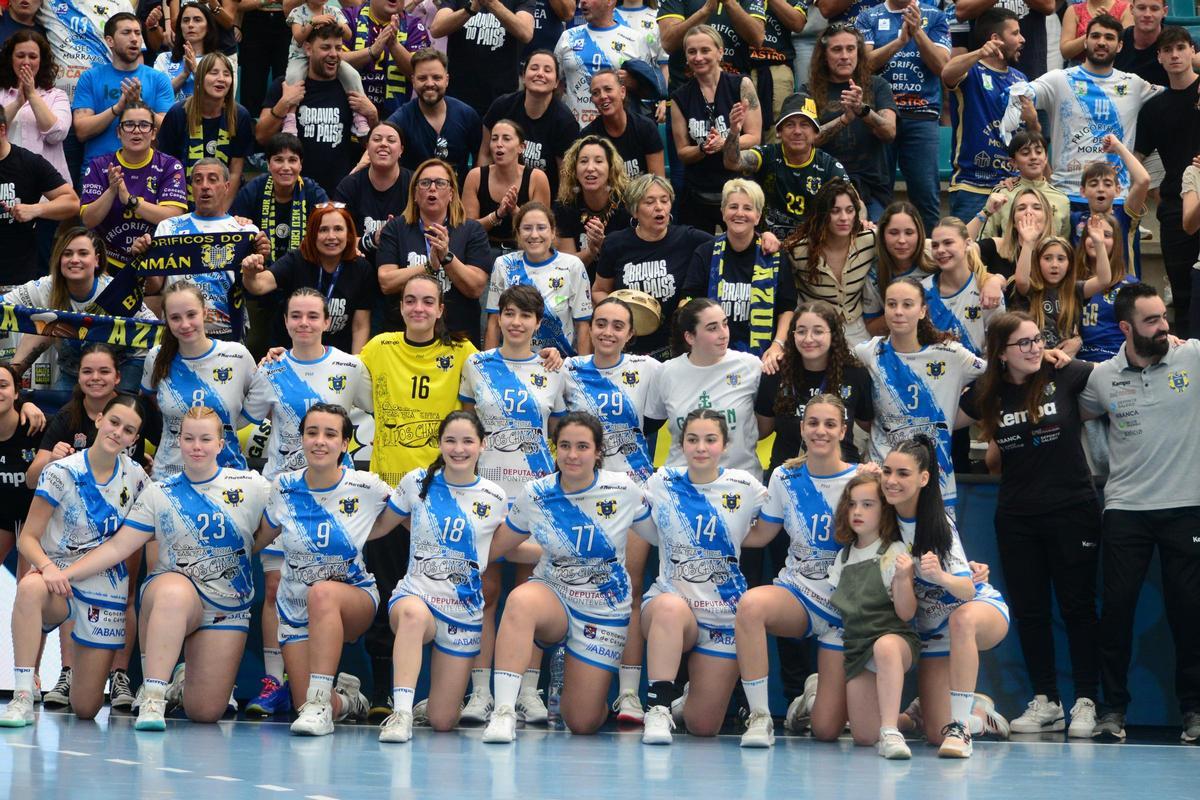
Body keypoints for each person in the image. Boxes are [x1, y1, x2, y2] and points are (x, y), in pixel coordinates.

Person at [53, 406, 270, 731]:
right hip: (173, 595)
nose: (196, 446)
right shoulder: (159, 492)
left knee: (205, 712)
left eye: (205, 439)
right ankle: (154, 698)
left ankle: (181, 683)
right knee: (172, 592)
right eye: (189, 438)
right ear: (178, 441)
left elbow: (281, 520)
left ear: (220, 444)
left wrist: (253, 544)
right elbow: (118, 547)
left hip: (226, 606)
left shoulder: (251, 485)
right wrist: (63, 574)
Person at [959, 311, 1101, 738]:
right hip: (1017, 516)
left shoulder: (1067, 373)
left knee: (1078, 608)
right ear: (1001, 353)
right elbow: (944, 408)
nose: (1035, 347)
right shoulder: (986, 392)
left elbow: (1121, 373)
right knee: (1031, 610)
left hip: (1072, 509)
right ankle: (1047, 701)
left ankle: (1086, 701)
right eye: (1024, 342)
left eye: (1038, 339)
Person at [1078, 283, 1200, 744]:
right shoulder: (1101, 377)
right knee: (1116, 611)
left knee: (1190, 612)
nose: (1164, 326)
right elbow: (1074, 413)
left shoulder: (1193, 357)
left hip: (1187, 505)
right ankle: (1112, 710)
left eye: (1164, 316)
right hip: (1125, 507)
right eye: (1151, 321)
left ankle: (1194, 710)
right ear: (1126, 328)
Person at [480, 411, 650, 742]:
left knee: (582, 722)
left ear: (598, 452)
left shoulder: (623, 489)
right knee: (520, 601)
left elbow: (661, 536)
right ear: (555, 448)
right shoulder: (536, 493)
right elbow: (499, 547)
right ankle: (504, 712)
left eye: (582, 446)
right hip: (554, 594)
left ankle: (581, 680)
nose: (572, 455)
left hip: (602, 610)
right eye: (565, 446)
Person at [0, 395, 148, 727]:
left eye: (128, 430)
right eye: (114, 422)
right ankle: (23, 695)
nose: (117, 432)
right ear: (99, 419)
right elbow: (27, 538)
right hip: (59, 582)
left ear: (135, 439)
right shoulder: (61, 471)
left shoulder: (137, 478)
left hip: (105, 590)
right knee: (30, 588)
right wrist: (49, 568)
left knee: (85, 707)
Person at [369, 410, 509, 742]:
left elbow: (505, 546)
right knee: (413, 615)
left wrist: (562, 547)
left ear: (482, 445)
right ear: (440, 444)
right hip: (416, 596)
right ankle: (401, 714)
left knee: (443, 721)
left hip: (463, 612)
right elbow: (379, 527)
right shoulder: (417, 482)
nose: (458, 449)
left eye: (467, 441)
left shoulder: (494, 496)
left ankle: (428, 706)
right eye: (450, 441)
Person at [255, 403, 393, 736]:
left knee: (323, 593)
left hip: (353, 599)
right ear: (301, 439)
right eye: (312, 433)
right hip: (295, 607)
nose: (320, 441)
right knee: (303, 702)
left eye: (330, 434)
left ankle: (320, 704)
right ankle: (347, 700)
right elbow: (259, 538)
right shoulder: (284, 486)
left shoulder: (367, 487)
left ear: (344, 443)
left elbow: (407, 517)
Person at [636, 408, 769, 744]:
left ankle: (685, 702)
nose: (700, 448)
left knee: (703, 726)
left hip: (723, 616)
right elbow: (628, 507)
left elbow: (774, 518)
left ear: (725, 445)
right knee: (669, 607)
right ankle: (658, 709)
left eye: (710, 440)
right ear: (681, 444)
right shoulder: (662, 482)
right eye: (692, 440)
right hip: (671, 606)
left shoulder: (745, 486)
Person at [737, 394, 857, 748]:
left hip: (845, 609)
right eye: (813, 423)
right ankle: (760, 717)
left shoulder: (862, 480)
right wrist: (709, 534)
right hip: (799, 595)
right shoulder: (784, 476)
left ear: (843, 431)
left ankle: (812, 699)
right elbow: (762, 534)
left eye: (830, 424)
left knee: (826, 730)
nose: (821, 431)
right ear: (802, 428)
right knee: (750, 606)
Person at [882, 436, 1010, 756]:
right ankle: (976, 713)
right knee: (935, 734)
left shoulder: (939, 524)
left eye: (903, 473)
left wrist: (939, 576)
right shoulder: (883, 523)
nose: (892, 480)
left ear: (924, 478)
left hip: (976, 609)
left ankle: (962, 728)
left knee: (961, 619)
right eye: (887, 471)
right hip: (933, 633)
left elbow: (967, 589)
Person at [854, 277, 985, 511]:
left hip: (935, 482)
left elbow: (994, 375)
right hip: (883, 480)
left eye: (907, 304)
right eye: (891, 304)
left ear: (923, 310)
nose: (898, 311)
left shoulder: (950, 354)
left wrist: (959, 415)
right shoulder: (869, 352)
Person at [1007, 14, 1160, 207]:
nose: (1101, 42)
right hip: (1065, 196)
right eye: (1095, 36)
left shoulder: (1134, 84)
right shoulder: (1058, 79)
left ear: (1120, 46)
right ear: (1085, 42)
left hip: (1116, 197)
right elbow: (1015, 96)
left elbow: (1178, 98)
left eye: (1109, 37)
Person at [828, 470, 919, 759]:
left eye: (868, 504)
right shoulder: (842, 557)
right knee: (864, 735)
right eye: (852, 504)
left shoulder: (894, 551)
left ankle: (891, 731)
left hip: (894, 641)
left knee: (885, 646)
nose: (857, 511)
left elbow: (906, 613)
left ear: (884, 509)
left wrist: (903, 579)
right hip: (858, 649)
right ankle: (909, 719)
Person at [4, 227, 156, 396]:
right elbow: (3, 306)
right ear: (59, 259)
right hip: (74, 369)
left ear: (97, 260)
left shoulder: (114, 290)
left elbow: (154, 327)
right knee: (62, 410)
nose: (74, 260)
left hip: (124, 364)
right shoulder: (45, 287)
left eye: (83, 253)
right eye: (67, 254)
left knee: (115, 410)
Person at [359, 273, 477, 487]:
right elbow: (336, 368)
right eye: (410, 301)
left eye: (428, 302)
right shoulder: (379, 347)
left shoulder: (462, 351)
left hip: (442, 479)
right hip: (388, 482)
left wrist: (541, 359)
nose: (418, 308)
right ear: (401, 307)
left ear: (440, 310)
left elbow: (500, 370)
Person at [131, 159, 270, 340]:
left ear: (227, 186)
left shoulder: (245, 230)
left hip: (228, 331)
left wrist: (260, 258)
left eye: (212, 179)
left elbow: (254, 287)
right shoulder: (168, 227)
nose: (205, 186)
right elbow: (153, 287)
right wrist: (144, 259)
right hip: (178, 331)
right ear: (191, 188)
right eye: (198, 180)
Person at [460, 284, 567, 501]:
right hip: (486, 489)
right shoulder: (476, 364)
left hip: (537, 491)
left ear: (538, 323)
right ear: (499, 319)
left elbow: (557, 434)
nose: (516, 322)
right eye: (509, 313)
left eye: (525, 315)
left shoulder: (553, 369)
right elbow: (468, 425)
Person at [140, 281, 258, 478]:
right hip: (170, 476)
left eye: (191, 315)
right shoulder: (156, 357)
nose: (185, 324)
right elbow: (150, 401)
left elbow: (261, 402)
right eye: (175, 318)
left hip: (228, 475)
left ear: (204, 312)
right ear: (166, 319)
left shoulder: (237, 355)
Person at [592, 173, 712, 361]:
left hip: (675, 348)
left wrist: (760, 240)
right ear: (634, 211)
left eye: (664, 200)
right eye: (649, 202)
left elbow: (726, 244)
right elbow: (599, 290)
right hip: (629, 346)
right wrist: (619, 315)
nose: (659, 207)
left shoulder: (688, 239)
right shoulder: (615, 243)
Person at [856, 0, 950, 233]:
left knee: (926, 195)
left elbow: (943, 68)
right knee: (878, 194)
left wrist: (917, 32)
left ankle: (929, 252)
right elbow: (863, 66)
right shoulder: (868, 16)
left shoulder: (936, 16)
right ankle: (878, 251)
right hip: (879, 116)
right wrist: (899, 42)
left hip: (922, 115)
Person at [376, 158, 491, 345]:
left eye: (440, 183)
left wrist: (447, 257)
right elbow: (386, 282)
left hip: (458, 337)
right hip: (404, 338)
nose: (432, 188)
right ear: (415, 194)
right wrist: (429, 266)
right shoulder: (395, 229)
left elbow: (476, 287)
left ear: (451, 194)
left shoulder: (472, 230)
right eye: (425, 183)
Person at [257, 21, 380, 196]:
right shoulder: (285, 85)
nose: (334, 54)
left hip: (338, 193)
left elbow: (368, 145)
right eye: (325, 47)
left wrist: (373, 116)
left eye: (338, 48)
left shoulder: (349, 88)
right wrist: (284, 104)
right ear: (308, 49)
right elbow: (261, 136)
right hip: (293, 193)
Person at [645, 298, 763, 477]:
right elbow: (650, 424)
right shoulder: (666, 372)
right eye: (712, 328)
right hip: (682, 482)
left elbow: (766, 424)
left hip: (739, 482)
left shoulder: (750, 366)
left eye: (725, 324)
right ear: (690, 337)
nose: (723, 334)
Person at [682, 178, 794, 363]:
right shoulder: (705, 253)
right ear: (723, 212)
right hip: (712, 357)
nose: (739, 213)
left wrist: (777, 345)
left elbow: (787, 308)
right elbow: (689, 299)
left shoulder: (774, 255)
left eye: (747, 208)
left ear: (758, 216)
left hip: (763, 358)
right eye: (733, 207)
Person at [1135, 26, 1200, 338]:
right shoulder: (1153, 108)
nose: (1175, 55)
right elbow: (1137, 156)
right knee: (1183, 294)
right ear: (1159, 57)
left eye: (1181, 48)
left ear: (1192, 51)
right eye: (1168, 50)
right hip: (1176, 207)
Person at [240, 204, 375, 354]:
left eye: (338, 229)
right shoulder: (296, 260)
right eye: (323, 230)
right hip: (292, 354)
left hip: (338, 358)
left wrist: (355, 363)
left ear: (349, 234)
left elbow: (360, 327)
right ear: (312, 234)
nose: (331, 236)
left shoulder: (362, 269)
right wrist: (249, 273)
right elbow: (259, 285)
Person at [755, 301, 873, 469]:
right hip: (788, 473)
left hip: (841, 473)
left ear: (833, 334)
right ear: (792, 334)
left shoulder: (854, 374)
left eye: (818, 331)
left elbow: (870, 425)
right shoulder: (776, 372)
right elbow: (761, 430)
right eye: (801, 331)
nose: (808, 339)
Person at [670, 25, 761, 233]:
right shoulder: (679, 97)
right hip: (699, 192)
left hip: (739, 188)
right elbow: (682, 152)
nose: (698, 57)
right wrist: (703, 148)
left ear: (720, 52)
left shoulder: (742, 84)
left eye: (705, 50)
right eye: (692, 52)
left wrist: (725, 142)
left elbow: (754, 137)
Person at [942, 7, 1028, 222]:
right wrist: (980, 53)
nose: (1022, 39)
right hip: (972, 186)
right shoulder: (970, 71)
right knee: (967, 243)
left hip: (1011, 187)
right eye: (1015, 33)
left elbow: (1025, 133)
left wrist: (1034, 121)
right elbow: (947, 73)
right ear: (995, 39)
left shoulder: (1021, 79)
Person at [79, 102, 188, 272]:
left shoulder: (170, 166)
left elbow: (174, 217)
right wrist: (112, 190)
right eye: (129, 124)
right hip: (107, 262)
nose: (136, 131)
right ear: (118, 132)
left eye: (144, 125)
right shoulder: (99, 166)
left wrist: (131, 201)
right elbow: (88, 220)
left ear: (153, 133)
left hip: (155, 261)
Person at [723, 92, 848, 239]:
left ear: (816, 133)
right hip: (767, 242)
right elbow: (733, 162)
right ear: (778, 132)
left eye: (804, 125)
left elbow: (854, 201)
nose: (797, 131)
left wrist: (863, 220)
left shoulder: (829, 166)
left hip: (812, 244)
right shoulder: (767, 155)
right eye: (790, 125)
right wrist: (734, 131)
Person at [806, 24, 897, 219]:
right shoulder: (808, 91)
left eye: (850, 49)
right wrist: (844, 119)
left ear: (859, 53)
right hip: (825, 185)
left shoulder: (877, 85)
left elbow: (889, 132)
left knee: (874, 235)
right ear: (824, 55)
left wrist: (863, 110)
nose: (845, 56)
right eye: (836, 49)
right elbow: (807, 140)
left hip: (871, 187)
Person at [485, 202, 591, 355]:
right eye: (527, 228)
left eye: (541, 228)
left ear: (553, 232)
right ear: (518, 233)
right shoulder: (504, 264)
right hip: (515, 360)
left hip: (560, 361)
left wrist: (583, 367)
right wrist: (490, 364)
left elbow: (583, 326)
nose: (534, 235)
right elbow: (494, 323)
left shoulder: (573, 266)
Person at [70, 12, 174, 163]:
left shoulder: (159, 79)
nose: (134, 39)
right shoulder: (90, 78)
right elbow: (81, 131)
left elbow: (169, 130)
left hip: (147, 169)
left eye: (137, 33)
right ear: (110, 41)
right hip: (99, 168)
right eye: (126, 32)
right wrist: (117, 108)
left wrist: (139, 104)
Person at [785, 178, 875, 347]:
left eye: (850, 210)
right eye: (835, 211)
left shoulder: (869, 240)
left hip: (855, 327)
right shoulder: (798, 250)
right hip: (814, 329)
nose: (844, 218)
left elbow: (911, 244)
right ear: (823, 214)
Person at [156, 52, 254, 206]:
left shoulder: (239, 115)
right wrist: (177, 207)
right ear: (200, 78)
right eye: (214, 73)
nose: (221, 78)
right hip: (181, 201)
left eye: (226, 74)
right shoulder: (178, 113)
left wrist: (222, 211)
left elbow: (235, 172)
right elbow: (167, 166)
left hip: (223, 203)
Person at [0, 104, 78, 284]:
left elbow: (72, 202)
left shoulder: (28, 162)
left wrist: (36, 209)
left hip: (18, 278)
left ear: (2, 130)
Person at [481, 50, 578, 194]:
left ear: (557, 82)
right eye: (534, 68)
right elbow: (485, 154)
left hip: (543, 200)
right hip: (498, 192)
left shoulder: (565, 122)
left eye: (547, 70)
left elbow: (565, 177)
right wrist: (482, 193)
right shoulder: (502, 106)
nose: (540, 74)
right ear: (523, 76)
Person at [384, 48, 481, 183]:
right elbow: (380, 146)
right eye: (422, 78)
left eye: (436, 77)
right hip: (414, 194)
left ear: (446, 80)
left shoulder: (467, 115)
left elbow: (482, 159)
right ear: (413, 81)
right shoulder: (400, 120)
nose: (430, 84)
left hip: (459, 194)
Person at [1013, 220, 1112, 352]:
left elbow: (1104, 280)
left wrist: (1099, 244)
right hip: (1036, 356)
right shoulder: (1032, 289)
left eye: (1061, 259)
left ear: (1069, 264)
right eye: (1047, 258)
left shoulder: (1075, 289)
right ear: (1037, 262)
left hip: (1066, 357)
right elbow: (1021, 280)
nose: (1054, 265)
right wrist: (1028, 243)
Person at [231, 133, 329, 266]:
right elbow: (234, 232)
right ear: (268, 164)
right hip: (260, 268)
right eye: (278, 160)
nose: (286, 167)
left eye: (292, 160)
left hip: (304, 268)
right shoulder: (253, 189)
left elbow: (329, 227)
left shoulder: (313, 192)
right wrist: (240, 225)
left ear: (300, 165)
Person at [555, 0, 656, 126]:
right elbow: (555, 84)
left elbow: (649, 91)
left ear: (610, 1)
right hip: (573, 129)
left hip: (618, 131)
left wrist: (633, 83)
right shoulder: (567, 37)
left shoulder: (635, 40)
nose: (583, 2)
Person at [431, 0, 535, 118]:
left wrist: (492, 3)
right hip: (458, 94)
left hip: (501, 96)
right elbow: (436, 29)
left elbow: (526, 33)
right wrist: (470, 9)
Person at [284, 0, 370, 138]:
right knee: (293, 77)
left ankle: (358, 115)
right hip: (299, 56)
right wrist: (313, 22)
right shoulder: (297, 12)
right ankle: (290, 118)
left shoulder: (334, 11)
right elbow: (298, 38)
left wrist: (336, 23)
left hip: (327, 57)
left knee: (352, 75)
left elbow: (348, 35)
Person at [463, 120, 552, 253]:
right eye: (494, 139)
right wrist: (497, 215)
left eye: (506, 139)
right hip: (484, 248)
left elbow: (540, 229)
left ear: (521, 147)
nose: (499, 144)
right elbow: (469, 230)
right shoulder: (475, 176)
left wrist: (514, 210)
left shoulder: (537, 178)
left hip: (524, 249)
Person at [553, 135, 632, 278]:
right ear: (574, 169)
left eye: (599, 161)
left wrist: (605, 246)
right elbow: (566, 267)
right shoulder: (565, 206)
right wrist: (591, 251)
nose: (590, 168)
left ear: (610, 168)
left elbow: (631, 263)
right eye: (583, 161)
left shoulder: (626, 204)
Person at [334, 121, 412, 265]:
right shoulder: (349, 186)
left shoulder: (415, 185)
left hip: (404, 264)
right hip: (358, 264)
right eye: (377, 139)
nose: (383, 144)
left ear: (401, 150)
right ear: (367, 148)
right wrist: (373, 239)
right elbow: (336, 237)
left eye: (391, 140)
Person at [924, 217, 1002, 357]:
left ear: (968, 244)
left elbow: (997, 345)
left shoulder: (987, 289)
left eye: (948, 243)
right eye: (935, 245)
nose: (940, 250)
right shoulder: (922, 290)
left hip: (980, 369)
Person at [0, 29, 69, 188]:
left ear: (41, 61)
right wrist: (17, 103)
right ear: (10, 58)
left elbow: (56, 134)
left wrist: (31, 94)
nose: (26, 62)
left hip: (49, 188)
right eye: (20, 56)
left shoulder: (57, 96)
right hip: (7, 187)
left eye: (32, 57)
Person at [341, 0, 431, 121]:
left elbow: (420, 72)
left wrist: (394, 44)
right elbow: (334, 61)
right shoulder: (347, 18)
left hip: (395, 121)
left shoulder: (414, 25)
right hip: (348, 115)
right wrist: (371, 52)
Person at [977, 131, 1071, 242]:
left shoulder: (1062, 199)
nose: (1033, 157)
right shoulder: (1002, 194)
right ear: (1013, 162)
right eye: (1025, 153)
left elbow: (1064, 244)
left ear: (1046, 158)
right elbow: (985, 238)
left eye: (1038, 152)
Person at [656, 0, 767, 91]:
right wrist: (705, 11)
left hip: (734, 90)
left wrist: (729, 2)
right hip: (685, 89)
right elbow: (668, 43)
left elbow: (758, 39)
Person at [580, 69, 665, 179]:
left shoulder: (646, 128)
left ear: (622, 92)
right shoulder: (588, 136)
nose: (602, 96)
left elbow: (657, 181)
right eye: (596, 93)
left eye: (608, 89)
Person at [1075, 213, 1135, 363]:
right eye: (1092, 234)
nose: (1098, 239)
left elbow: (1144, 325)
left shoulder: (1130, 285)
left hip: (1116, 362)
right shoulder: (1069, 282)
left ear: (1116, 243)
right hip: (1076, 362)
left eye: (1106, 235)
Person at [0, 363, 40, 580]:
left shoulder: (38, 425)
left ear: (16, 392)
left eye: (2, 385)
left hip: (35, 516)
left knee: (28, 584)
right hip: (2, 514)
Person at [973, 185, 1055, 279]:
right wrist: (985, 212)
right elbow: (962, 250)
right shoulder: (997, 246)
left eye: (1036, 208)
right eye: (1021, 208)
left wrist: (1028, 242)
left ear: (1047, 218)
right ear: (1014, 222)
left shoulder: (1059, 251)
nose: (1028, 212)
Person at [153, 1, 219, 100]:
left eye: (197, 20)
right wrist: (184, 74)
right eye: (186, 20)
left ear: (208, 27)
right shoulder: (164, 58)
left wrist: (195, 70)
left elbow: (218, 97)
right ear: (180, 27)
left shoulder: (218, 62)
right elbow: (157, 95)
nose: (190, 25)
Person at [1113, 0, 1169, 85]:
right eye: (1141, 8)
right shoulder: (1117, 40)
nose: (1147, 14)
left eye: (1154, 9)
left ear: (1164, 12)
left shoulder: (1175, 41)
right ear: (1131, 9)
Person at [1061, 0, 1133, 63]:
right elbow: (1065, 53)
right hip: (1077, 68)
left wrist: (1110, 23)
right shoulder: (1073, 10)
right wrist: (1092, 32)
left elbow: (1127, 48)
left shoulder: (1126, 9)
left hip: (1114, 67)